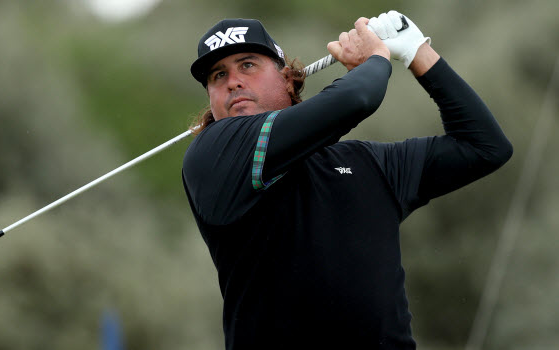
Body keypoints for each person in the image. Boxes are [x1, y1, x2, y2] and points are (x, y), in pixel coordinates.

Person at [182, 11, 512, 349]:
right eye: (218, 75)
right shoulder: (214, 155)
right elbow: (357, 97)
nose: (233, 81)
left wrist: (417, 53)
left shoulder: (368, 163)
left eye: (247, 65)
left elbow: (485, 147)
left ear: (288, 78)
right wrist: (378, 58)